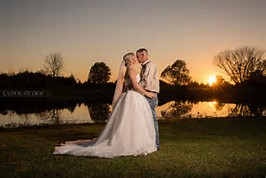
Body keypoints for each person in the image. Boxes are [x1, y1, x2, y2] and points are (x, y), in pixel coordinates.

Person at [53, 53, 157, 158]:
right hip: (133, 97)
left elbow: (127, 86)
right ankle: (132, 143)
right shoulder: (131, 70)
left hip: (131, 96)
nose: (136, 58)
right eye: (134, 57)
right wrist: (147, 94)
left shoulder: (127, 71)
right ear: (131, 60)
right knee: (133, 121)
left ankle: (132, 141)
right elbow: (135, 85)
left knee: (130, 121)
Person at [136, 48, 160, 150]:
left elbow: (146, 82)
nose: (137, 58)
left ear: (143, 55)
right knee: (145, 120)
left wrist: (135, 86)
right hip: (146, 95)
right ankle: (148, 142)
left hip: (150, 95)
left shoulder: (150, 66)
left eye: (137, 56)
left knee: (152, 120)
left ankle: (155, 144)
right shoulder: (144, 67)